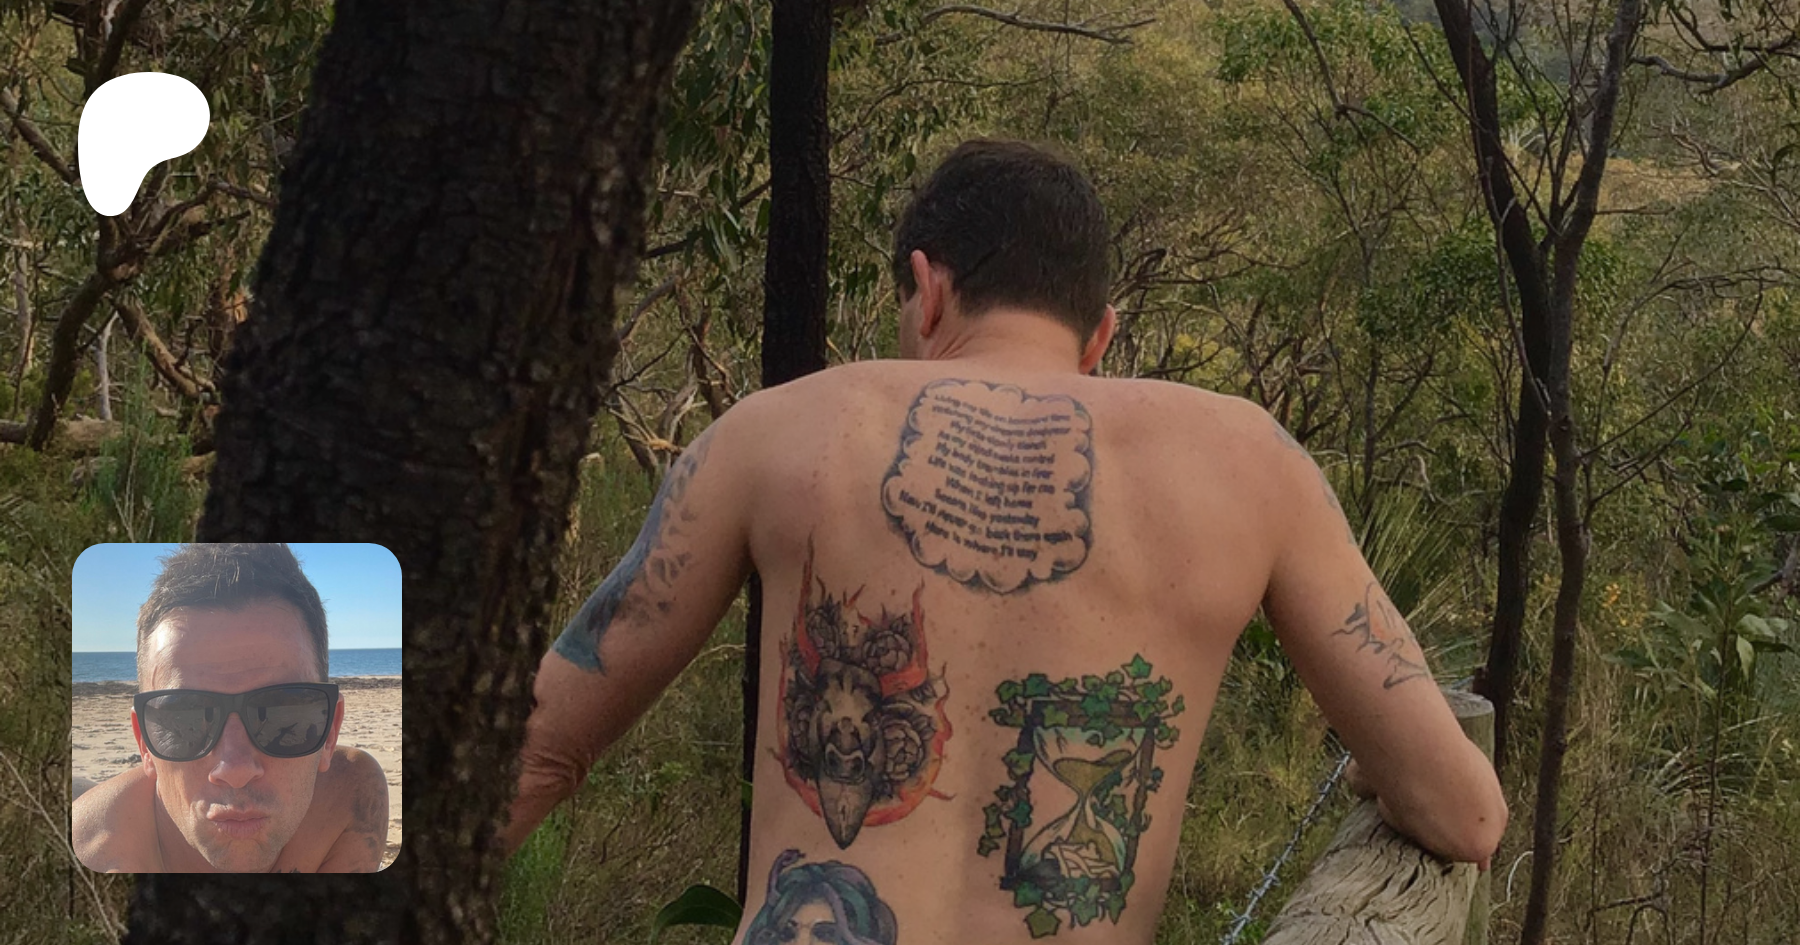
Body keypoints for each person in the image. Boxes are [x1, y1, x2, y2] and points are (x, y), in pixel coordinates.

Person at [504, 139, 1506, 942]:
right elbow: (1465, 814)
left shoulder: (776, 431)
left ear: (926, 287)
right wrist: (1380, 766)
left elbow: (537, 753)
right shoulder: (1251, 462)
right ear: (1100, 334)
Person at [73, 543, 390, 873]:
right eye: (186, 720)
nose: (235, 771)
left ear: (329, 734)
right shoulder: (94, 858)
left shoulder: (351, 800)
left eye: (283, 714)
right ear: (144, 744)